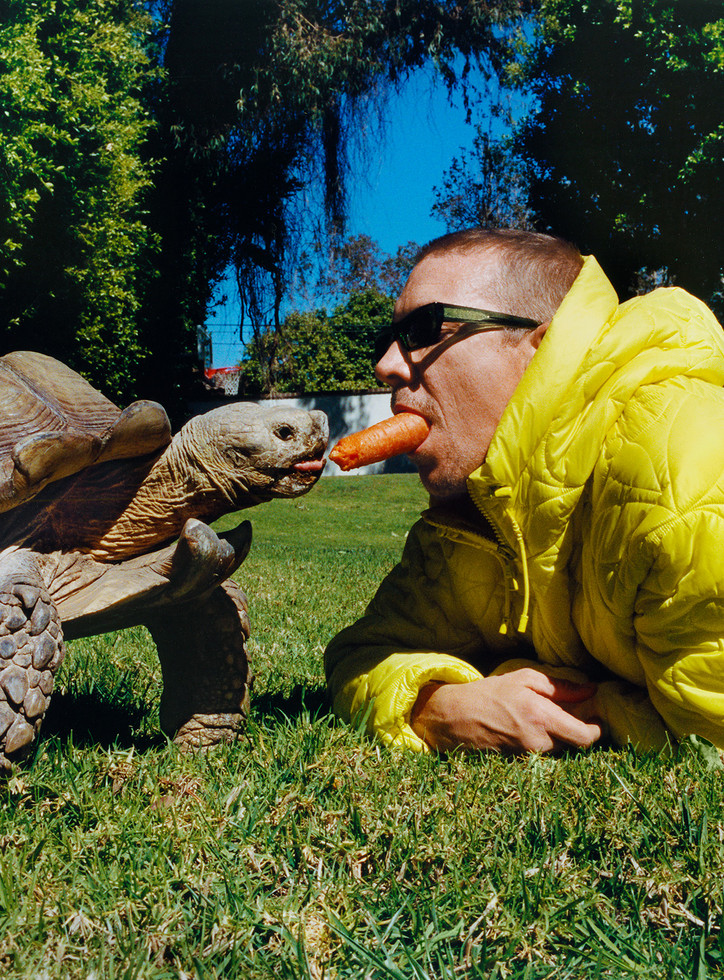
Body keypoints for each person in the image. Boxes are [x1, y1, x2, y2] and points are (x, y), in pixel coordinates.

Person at [324, 227, 724, 756]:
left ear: (539, 347)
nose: (387, 365)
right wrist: (436, 705)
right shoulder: (471, 511)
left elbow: (707, 742)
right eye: (388, 340)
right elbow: (361, 655)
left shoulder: (684, 472)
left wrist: (583, 702)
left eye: (422, 329)